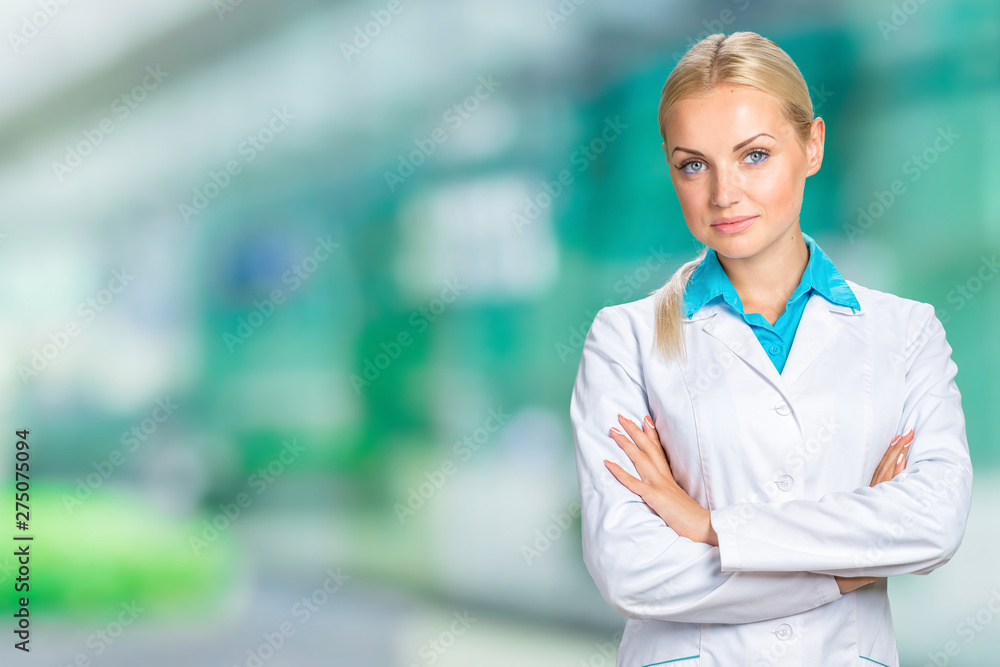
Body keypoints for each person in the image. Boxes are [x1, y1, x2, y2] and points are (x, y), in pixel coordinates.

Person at [569, 31, 974, 667]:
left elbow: (932, 523)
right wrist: (840, 573)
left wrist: (709, 529)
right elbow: (631, 568)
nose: (723, 193)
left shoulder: (906, 332)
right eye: (693, 164)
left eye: (754, 155)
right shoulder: (625, 339)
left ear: (812, 145)